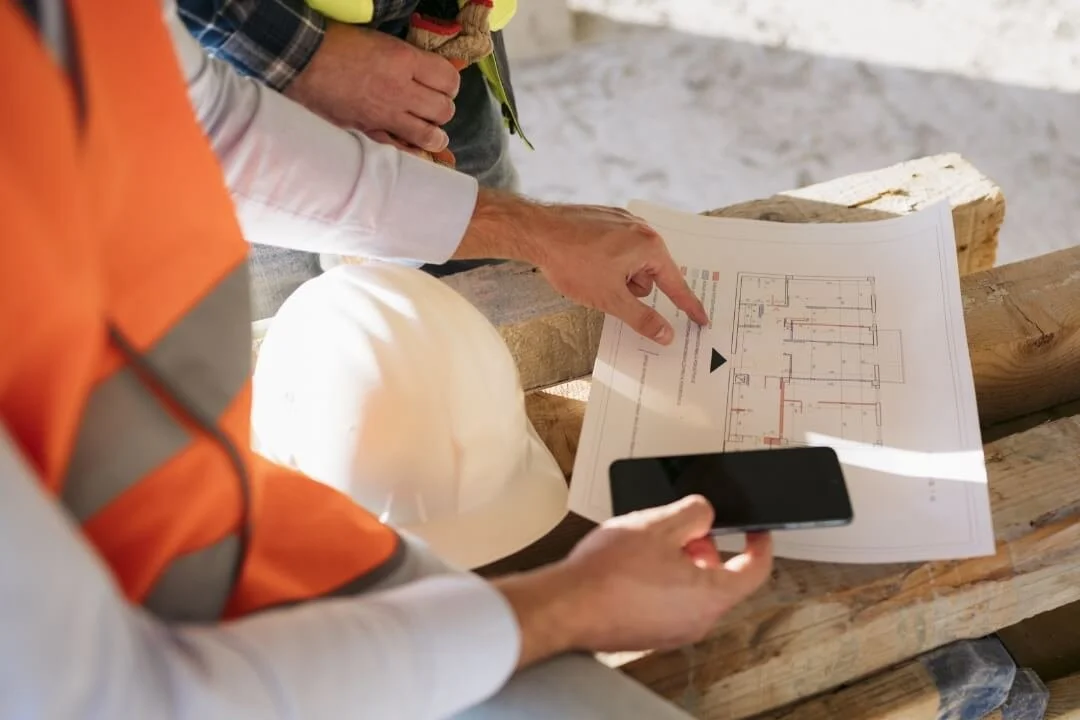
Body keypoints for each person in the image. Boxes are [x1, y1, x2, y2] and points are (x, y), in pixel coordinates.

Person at [0, 0, 774, 718]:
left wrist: (528, 228)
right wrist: (572, 604)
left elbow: (205, 120)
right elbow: (124, 696)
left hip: (243, 532)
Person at [177, 0, 528, 317]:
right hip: (246, 74)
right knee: (291, 340)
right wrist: (308, 57)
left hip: (441, 56)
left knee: (492, 310)